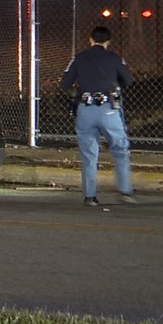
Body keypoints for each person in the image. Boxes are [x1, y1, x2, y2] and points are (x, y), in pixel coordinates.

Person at [60, 25, 135, 207]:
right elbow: (128, 80)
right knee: (120, 149)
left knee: (88, 154)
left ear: (90, 39)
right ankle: (124, 191)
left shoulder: (79, 58)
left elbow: (64, 84)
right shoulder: (115, 58)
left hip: (85, 110)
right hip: (109, 109)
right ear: (108, 41)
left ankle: (90, 196)